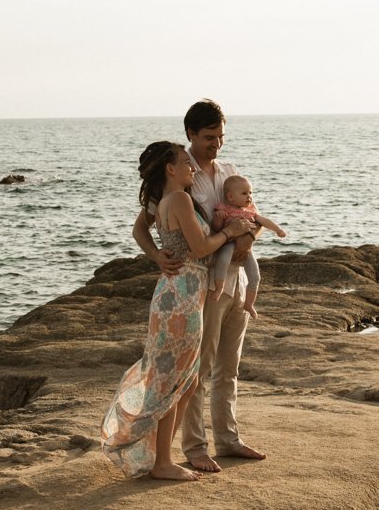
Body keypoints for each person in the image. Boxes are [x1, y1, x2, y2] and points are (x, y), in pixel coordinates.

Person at [103, 141, 252, 481]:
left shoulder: (173, 201)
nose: (191, 168)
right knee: (173, 380)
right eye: (185, 162)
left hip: (182, 294)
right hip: (182, 295)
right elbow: (200, 248)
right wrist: (230, 231)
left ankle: (160, 457)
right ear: (170, 169)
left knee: (182, 380)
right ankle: (162, 463)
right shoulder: (180, 200)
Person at [132, 99, 267, 475]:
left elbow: (250, 215)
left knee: (229, 366)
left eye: (221, 136)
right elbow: (143, 226)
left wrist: (249, 236)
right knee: (197, 369)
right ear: (191, 134)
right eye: (210, 137)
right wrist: (157, 257)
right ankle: (195, 447)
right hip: (202, 285)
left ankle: (229, 438)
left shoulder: (228, 171)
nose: (217, 144)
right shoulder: (180, 181)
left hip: (235, 281)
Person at [209, 174, 286, 318]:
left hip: (246, 247)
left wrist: (277, 230)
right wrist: (218, 218)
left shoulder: (251, 211)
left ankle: (249, 304)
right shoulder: (224, 209)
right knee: (223, 262)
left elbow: (264, 221)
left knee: (255, 275)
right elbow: (216, 228)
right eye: (244, 193)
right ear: (231, 197)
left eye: (250, 193)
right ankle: (219, 287)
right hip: (229, 244)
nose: (249, 196)